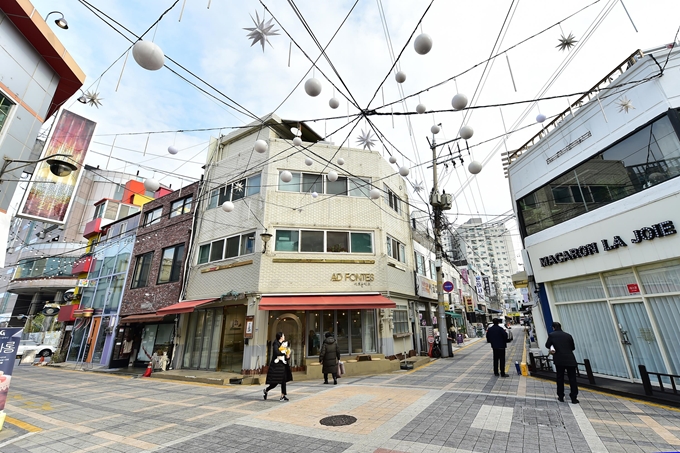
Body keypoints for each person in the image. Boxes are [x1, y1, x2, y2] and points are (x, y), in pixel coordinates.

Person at [545, 321, 579, 404]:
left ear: (553, 327)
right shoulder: (568, 335)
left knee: (560, 378)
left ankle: (561, 396)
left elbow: (547, 345)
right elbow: (572, 347)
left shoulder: (552, 335)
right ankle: (574, 397)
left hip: (559, 359)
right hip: (570, 359)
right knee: (572, 379)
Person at [263, 332, 292, 402]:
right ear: (280, 337)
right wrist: (284, 353)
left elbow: (285, 353)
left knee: (283, 380)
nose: (284, 336)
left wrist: (287, 356)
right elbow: (276, 352)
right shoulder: (276, 343)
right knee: (274, 382)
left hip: (282, 365)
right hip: (276, 366)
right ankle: (266, 390)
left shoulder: (283, 344)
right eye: (283, 335)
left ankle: (283, 395)